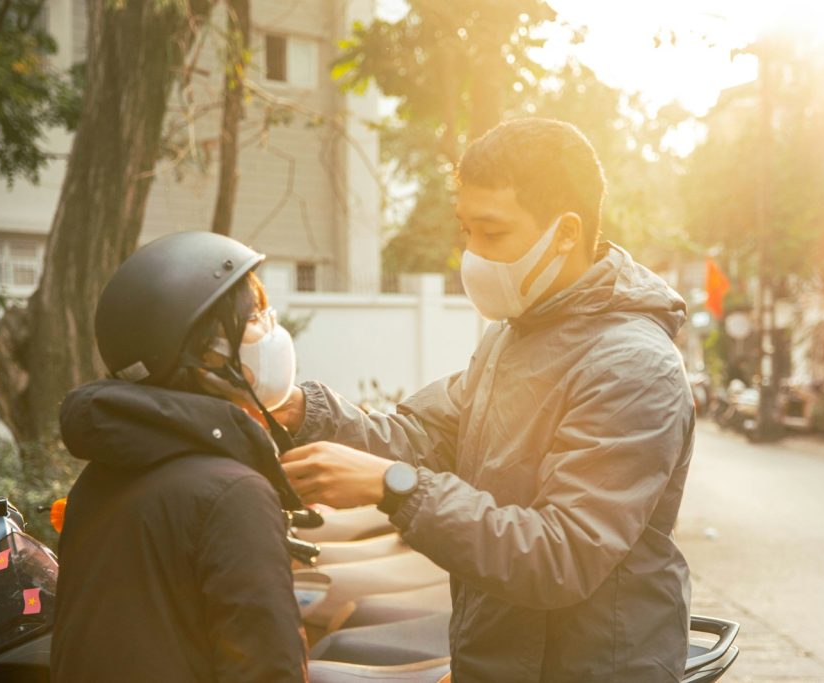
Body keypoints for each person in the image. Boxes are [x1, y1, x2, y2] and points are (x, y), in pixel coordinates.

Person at [272, 118, 695, 682]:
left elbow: (559, 555)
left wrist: (393, 486)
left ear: (566, 233)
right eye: (466, 230)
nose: (471, 254)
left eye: (492, 232)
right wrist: (302, 410)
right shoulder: (517, 332)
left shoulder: (632, 367)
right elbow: (424, 436)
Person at [52, 232, 309, 683]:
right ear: (206, 349)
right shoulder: (232, 495)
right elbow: (269, 671)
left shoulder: (103, 476)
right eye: (253, 317)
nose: (272, 329)